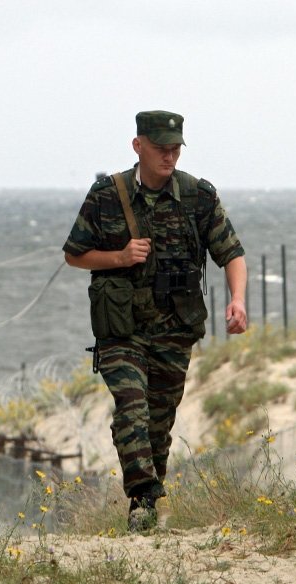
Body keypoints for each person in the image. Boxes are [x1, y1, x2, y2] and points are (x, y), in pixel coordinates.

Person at [63, 110, 248, 532]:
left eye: (175, 149)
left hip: (173, 329)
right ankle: (144, 496)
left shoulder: (198, 196)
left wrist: (237, 300)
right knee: (131, 407)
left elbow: (231, 253)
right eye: (161, 148)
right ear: (138, 146)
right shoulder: (107, 195)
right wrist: (119, 258)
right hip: (122, 330)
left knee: (159, 423)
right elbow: (74, 254)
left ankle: (144, 509)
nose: (169, 157)